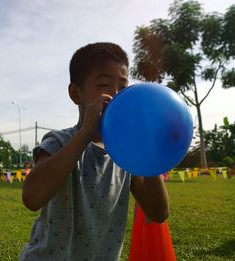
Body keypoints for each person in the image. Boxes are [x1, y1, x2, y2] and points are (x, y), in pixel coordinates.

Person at [20, 42, 170, 260]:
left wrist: (146, 151)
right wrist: (86, 133)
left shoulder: (126, 153)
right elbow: (32, 198)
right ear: (76, 93)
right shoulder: (59, 142)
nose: (116, 95)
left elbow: (158, 213)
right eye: (104, 85)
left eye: (123, 86)